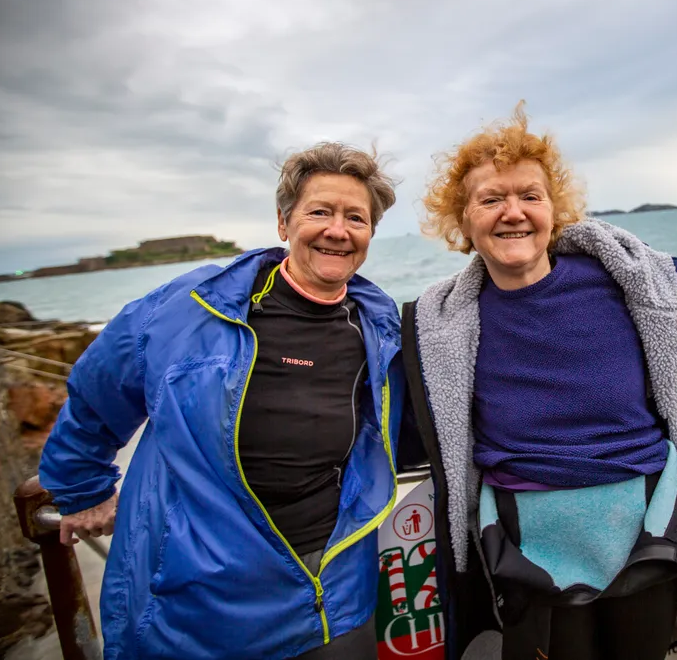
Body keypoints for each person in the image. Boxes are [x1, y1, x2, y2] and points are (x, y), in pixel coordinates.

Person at [401, 105, 677, 660]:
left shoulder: (636, 283)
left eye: (531, 195)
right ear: (462, 217)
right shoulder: (441, 322)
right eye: (491, 199)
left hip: (646, 526)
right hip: (525, 545)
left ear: (556, 209)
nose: (514, 213)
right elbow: (403, 418)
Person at [39, 143, 407, 659]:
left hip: (331, 588)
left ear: (369, 235)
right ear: (283, 224)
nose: (337, 230)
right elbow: (98, 392)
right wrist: (80, 488)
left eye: (356, 218)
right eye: (319, 212)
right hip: (198, 595)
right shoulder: (189, 308)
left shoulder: (378, 325)